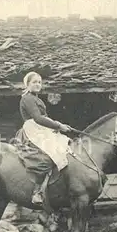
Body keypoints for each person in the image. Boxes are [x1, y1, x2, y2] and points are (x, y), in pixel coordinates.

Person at [19, 72, 72, 206]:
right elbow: (38, 118)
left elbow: (45, 118)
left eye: (39, 82)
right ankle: (37, 191)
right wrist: (58, 125)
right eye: (34, 82)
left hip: (42, 128)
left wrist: (56, 126)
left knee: (64, 148)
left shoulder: (38, 99)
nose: (37, 85)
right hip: (33, 130)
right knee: (47, 156)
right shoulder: (27, 98)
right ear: (27, 84)